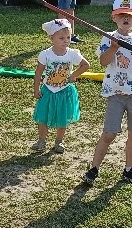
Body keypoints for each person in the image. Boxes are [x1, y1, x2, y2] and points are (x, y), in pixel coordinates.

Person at [82, 0, 132, 186]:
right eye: (121, 14)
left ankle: (129, 169)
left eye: (129, 15)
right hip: (115, 93)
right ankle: (93, 168)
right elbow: (103, 62)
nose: (125, 18)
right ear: (113, 17)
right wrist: (113, 48)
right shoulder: (108, 38)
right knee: (109, 133)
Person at [32, 19, 89, 154]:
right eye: (61, 38)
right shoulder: (45, 54)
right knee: (43, 117)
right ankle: (41, 140)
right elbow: (39, 72)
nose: (66, 40)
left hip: (64, 91)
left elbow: (86, 65)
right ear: (52, 38)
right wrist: (36, 89)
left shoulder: (72, 53)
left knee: (62, 118)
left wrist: (74, 74)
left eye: (68, 37)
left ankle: (59, 141)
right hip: (48, 90)